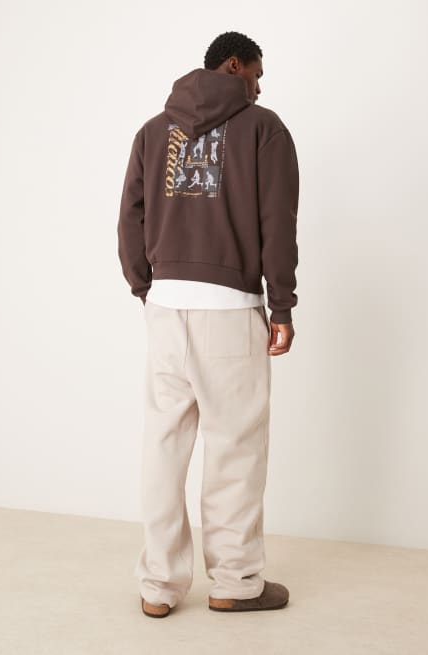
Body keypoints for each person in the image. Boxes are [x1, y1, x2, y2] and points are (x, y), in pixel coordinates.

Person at [117, 30, 299, 618]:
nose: (259, 87)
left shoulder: (153, 131)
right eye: (256, 74)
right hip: (230, 310)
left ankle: (158, 586)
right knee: (235, 448)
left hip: (167, 308)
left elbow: (129, 219)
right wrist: (281, 306)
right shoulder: (264, 128)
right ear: (234, 65)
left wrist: (148, 288)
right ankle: (235, 582)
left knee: (163, 446)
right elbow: (278, 224)